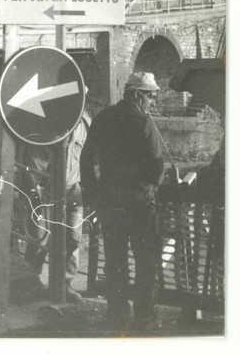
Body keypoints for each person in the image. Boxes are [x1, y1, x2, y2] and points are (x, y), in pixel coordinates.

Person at [80, 71, 165, 332]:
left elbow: (86, 159)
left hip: (110, 200)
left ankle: (117, 314)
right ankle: (145, 316)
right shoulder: (144, 122)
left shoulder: (103, 118)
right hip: (139, 202)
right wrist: (150, 187)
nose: (152, 101)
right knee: (145, 259)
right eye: (150, 96)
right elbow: (157, 165)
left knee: (115, 259)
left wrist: (93, 195)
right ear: (137, 94)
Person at [20, 109, 91, 302]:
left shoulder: (85, 122)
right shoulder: (49, 119)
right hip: (47, 188)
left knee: (73, 239)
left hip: (73, 189)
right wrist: (35, 185)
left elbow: (88, 156)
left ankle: (64, 284)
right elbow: (36, 155)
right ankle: (31, 282)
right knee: (39, 238)